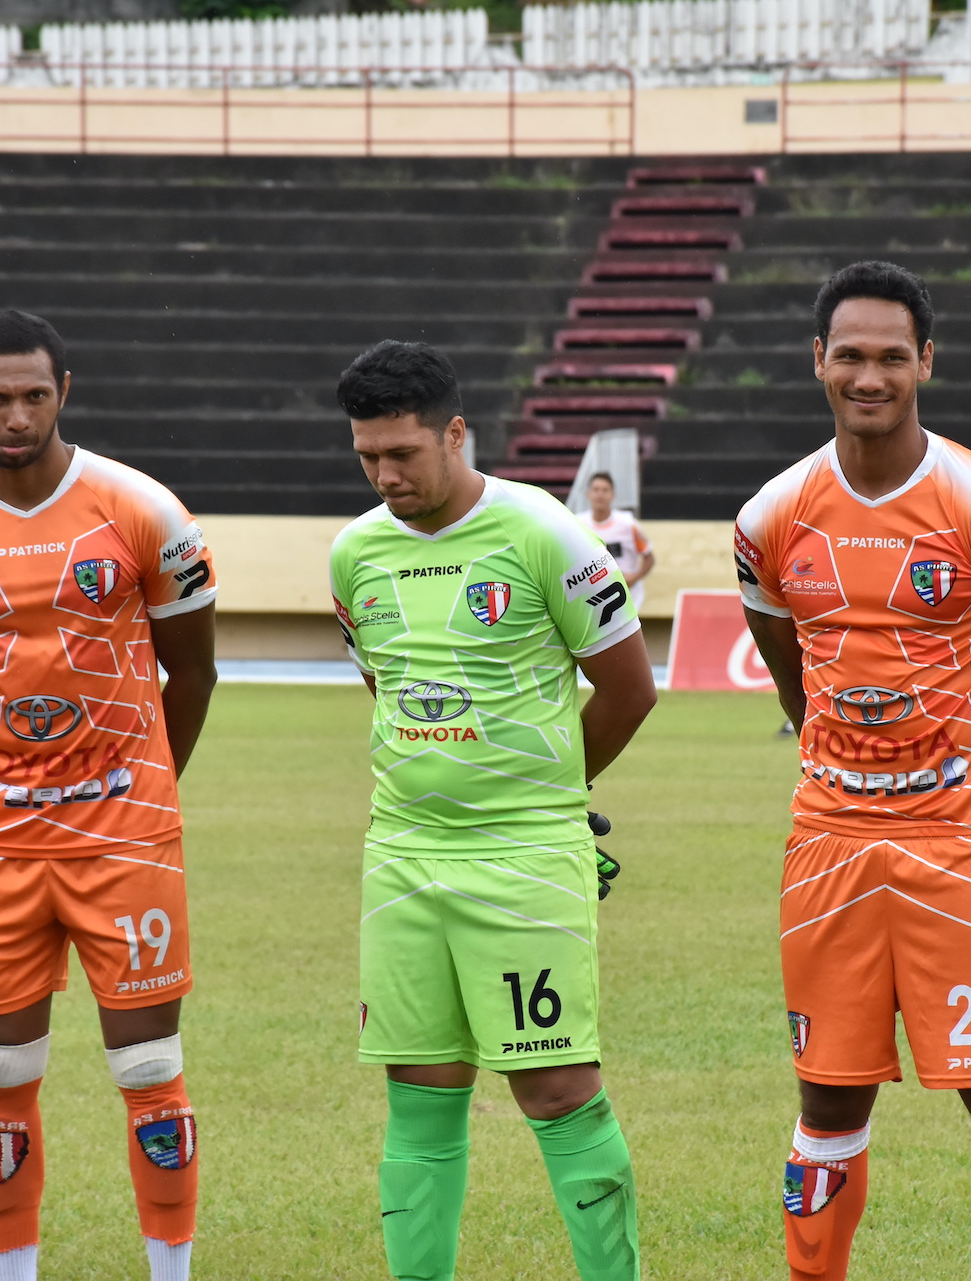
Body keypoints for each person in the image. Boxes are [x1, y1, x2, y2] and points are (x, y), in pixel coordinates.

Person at [735, 262, 971, 1281]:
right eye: (850, 355)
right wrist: (855, 765)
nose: (868, 374)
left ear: (926, 360)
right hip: (827, 845)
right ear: (818, 362)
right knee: (826, 1098)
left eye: (891, 355)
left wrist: (950, 775)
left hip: (958, 847)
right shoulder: (769, 518)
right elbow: (792, 671)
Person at [0, 311, 218, 1281]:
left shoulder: (142, 508)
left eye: (35, 394)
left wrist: (147, 796)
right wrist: (14, 779)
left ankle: (172, 1272)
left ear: (64, 391)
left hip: (124, 823)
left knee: (149, 1067)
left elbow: (192, 677)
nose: (16, 414)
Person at [330, 340, 658, 1281]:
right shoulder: (355, 554)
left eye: (403, 453)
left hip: (523, 857)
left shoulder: (543, 532)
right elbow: (386, 689)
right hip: (402, 856)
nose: (386, 475)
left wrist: (555, 806)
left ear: (456, 432)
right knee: (419, 1091)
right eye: (368, 457)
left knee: (557, 1089)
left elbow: (628, 689)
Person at [575, 472, 655, 612]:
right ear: (588, 494)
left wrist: (635, 577)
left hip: (626, 594)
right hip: (593, 594)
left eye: (605, 490)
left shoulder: (628, 524)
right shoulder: (578, 525)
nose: (600, 495)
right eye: (596, 490)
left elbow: (649, 558)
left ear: (613, 495)